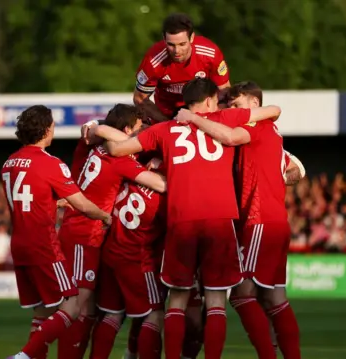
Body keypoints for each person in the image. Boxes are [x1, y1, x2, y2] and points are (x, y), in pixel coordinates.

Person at [98, 78, 281, 359]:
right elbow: (272, 110)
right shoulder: (226, 118)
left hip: (182, 221)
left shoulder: (163, 130)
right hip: (219, 220)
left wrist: (100, 129)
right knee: (217, 301)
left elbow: (117, 150)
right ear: (209, 100)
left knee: (177, 302)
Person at [181, 81, 305, 359]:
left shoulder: (256, 126)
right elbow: (295, 167)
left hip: (259, 219)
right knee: (274, 298)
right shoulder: (271, 129)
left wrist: (192, 118)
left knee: (241, 295)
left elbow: (230, 137)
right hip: (274, 221)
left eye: (237, 105)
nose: (233, 110)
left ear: (254, 105)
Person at [57, 104, 167, 359]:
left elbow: (91, 130)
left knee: (99, 312)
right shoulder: (122, 161)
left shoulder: (88, 146)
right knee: (78, 308)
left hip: (95, 238)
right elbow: (158, 184)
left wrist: (101, 128)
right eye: (138, 131)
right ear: (128, 130)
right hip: (88, 235)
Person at [3, 105, 112, 359]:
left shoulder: (9, 163)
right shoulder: (51, 163)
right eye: (51, 124)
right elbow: (82, 204)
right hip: (43, 243)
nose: (54, 128)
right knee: (72, 306)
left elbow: (28, 198)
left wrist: (55, 203)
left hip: (19, 242)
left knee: (41, 312)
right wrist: (105, 215)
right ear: (45, 129)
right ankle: (25, 356)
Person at [134, 13, 230, 123]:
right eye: (171, 45)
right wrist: (168, 124)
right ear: (164, 39)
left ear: (192, 38)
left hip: (204, 113)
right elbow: (140, 99)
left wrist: (213, 118)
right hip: (167, 115)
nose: (177, 51)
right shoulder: (153, 61)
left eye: (182, 44)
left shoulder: (210, 54)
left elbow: (225, 91)